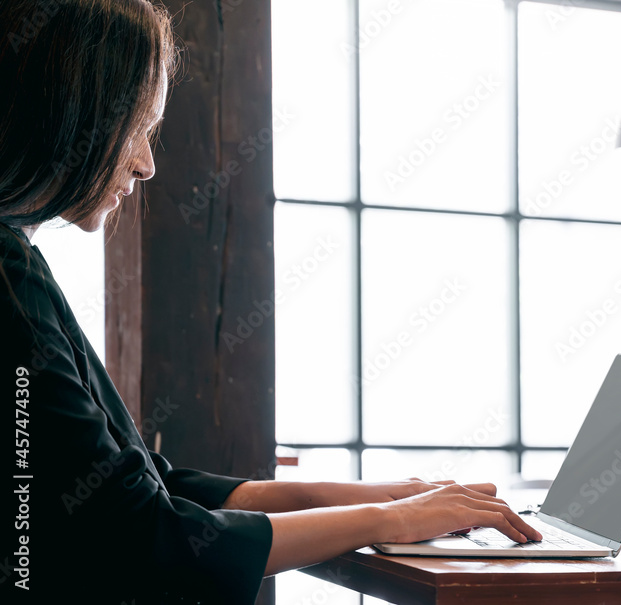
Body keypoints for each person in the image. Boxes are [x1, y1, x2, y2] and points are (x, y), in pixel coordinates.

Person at [0, 1, 541, 603]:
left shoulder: (16, 259)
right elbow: (145, 538)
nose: (147, 163)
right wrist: (397, 520)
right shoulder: (8, 276)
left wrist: (378, 494)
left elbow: (147, 488)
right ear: (72, 115)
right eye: (139, 129)